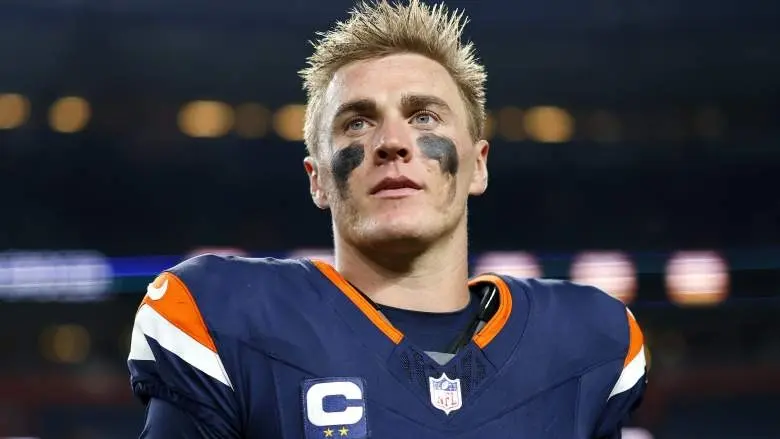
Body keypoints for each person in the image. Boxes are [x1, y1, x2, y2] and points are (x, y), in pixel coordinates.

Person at [128, 1, 648, 437]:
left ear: (478, 165)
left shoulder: (588, 343)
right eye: (357, 123)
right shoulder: (225, 317)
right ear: (317, 179)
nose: (392, 143)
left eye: (424, 117)